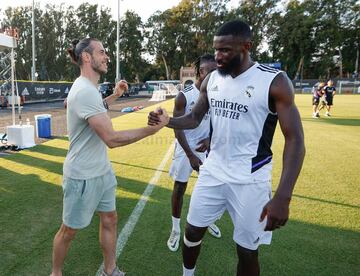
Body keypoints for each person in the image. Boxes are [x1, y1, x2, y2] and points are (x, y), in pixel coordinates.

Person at [149, 20, 305, 276]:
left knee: (246, 251)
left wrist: (283, 196)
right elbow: (194, 118)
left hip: (250, 179)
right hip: (213, 171)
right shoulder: (211, 79)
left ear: (246, 46)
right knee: (192, 231)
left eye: (226, 50)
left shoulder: (274, 82)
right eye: (216, 50)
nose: (218, 57)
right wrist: (168, 121)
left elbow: (296, 140)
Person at [51, 38, 169, 276]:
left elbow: (92, 109)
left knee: (110, 219)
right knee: (69, 230)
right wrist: (152, 129)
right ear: (86, 57)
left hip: (102, 171)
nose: (107, 56)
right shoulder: (84, 90)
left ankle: (110, 270)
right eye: (102, 52)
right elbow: (112, 139)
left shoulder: (88, 89)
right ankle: (56, 273)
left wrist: (114, 96)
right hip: (82, 176)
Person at [167, 54, 221, 252]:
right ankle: (175, 229)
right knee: (180, 188)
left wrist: (209, 140)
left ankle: (208, 221)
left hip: (207, 148)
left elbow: (218, 122)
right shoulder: (184, 95)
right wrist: (189, 154)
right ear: (201, 72)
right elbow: (178, 128)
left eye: (218, 70)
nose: (216, 74)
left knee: (212, 189)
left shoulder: (217, 92)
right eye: (211, 71)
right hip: (185, 148)